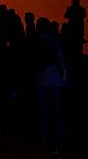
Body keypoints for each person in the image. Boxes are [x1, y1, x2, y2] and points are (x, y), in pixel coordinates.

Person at [33, 17, 66, 153]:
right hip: (54, 81)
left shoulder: (36, 44)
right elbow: (61, 63)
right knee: (55, 112)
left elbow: (34, 62)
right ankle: (57, 140)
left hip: (42, 82)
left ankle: (45, 141)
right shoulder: (54, 42)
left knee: (43, 113)